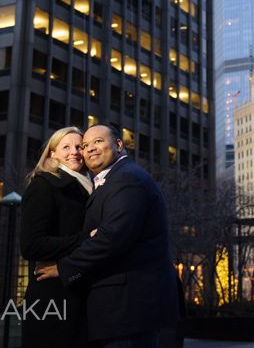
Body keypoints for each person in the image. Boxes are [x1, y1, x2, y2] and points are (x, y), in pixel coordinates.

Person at [37, 124, 180, 348]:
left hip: (128, 308)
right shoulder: (112, 180)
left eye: (99, 141)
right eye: (86, 145)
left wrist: (65, 268)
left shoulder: (127, 179)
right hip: (120, 310)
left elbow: (113, 238)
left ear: (119, 145)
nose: (90, 149)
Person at [20, 127, 94, 348]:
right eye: (66, 147)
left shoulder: (90, 186)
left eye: (80, 147)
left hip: (78, 293)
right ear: (52, 154)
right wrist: (85, 239)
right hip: (51, 296)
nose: (75, 152)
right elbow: (31, 245)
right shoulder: (43, 185)